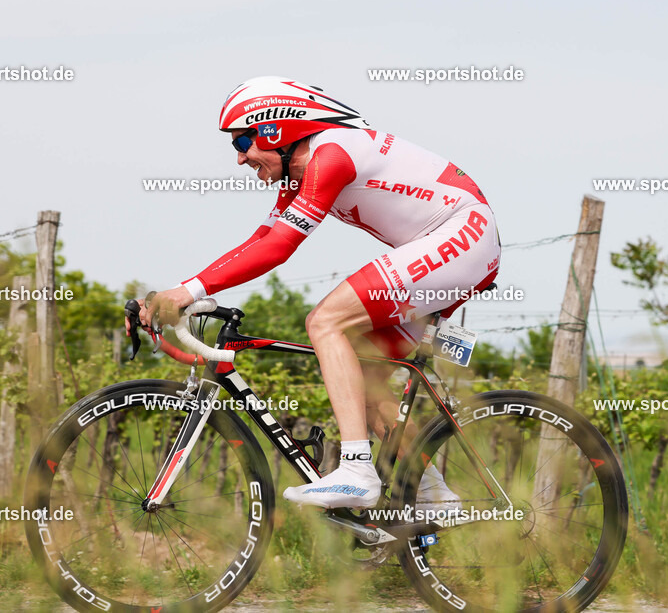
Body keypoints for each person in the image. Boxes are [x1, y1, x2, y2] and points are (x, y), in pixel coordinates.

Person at [134, 76, 500, 509]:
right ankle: (433, 494)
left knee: (325, 321)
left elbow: (279, 248)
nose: (239, 158)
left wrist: (188, 290)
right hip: (454, 246)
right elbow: (262, 237)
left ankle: (356, 470)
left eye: (244, 141)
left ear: (277, 129)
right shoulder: (302, 171)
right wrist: (187, 289)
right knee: (361, 379)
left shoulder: (333, 155)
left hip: (462, 235)